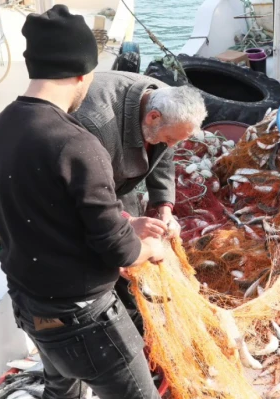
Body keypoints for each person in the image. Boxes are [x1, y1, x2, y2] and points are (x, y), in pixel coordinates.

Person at [0, 5, 164, 399]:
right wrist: (150, 246)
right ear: (83, 72)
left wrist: (122, 223)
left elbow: (40, 215)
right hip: (86, 320)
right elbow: (121, 252)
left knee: (61, 391)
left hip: (29, 306)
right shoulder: (77, 144)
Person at [71, 71, 207, 332]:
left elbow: (163, 156)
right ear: (152, 117)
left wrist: (164, 208)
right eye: (170, 138)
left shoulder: (167, 101)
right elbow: (86, 193)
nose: (172, 144)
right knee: (109, 252)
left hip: (120, 181)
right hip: (84, 188)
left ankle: (135, 313)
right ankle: (110, 318)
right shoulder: (94, 124)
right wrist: (125, 223)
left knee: (134, 255)